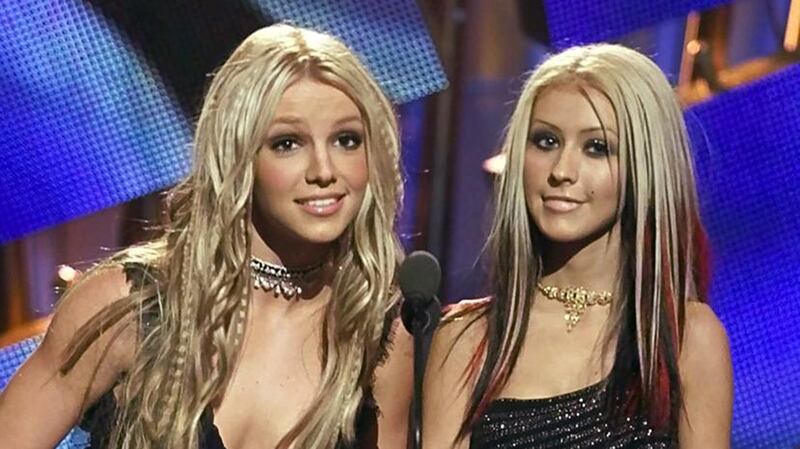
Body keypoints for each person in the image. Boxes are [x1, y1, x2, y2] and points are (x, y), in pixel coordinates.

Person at [0, 24, 411, 449]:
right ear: (238, 154)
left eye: (346, 140)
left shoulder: (378, 335)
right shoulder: (129, 307)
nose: (324, 171)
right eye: (288, 143)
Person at [423, 44, 732, 448]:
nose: (562, 171)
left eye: (596, 147)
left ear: (645, 167)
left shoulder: (687, 340)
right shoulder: (465, 340)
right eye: (546, 141)